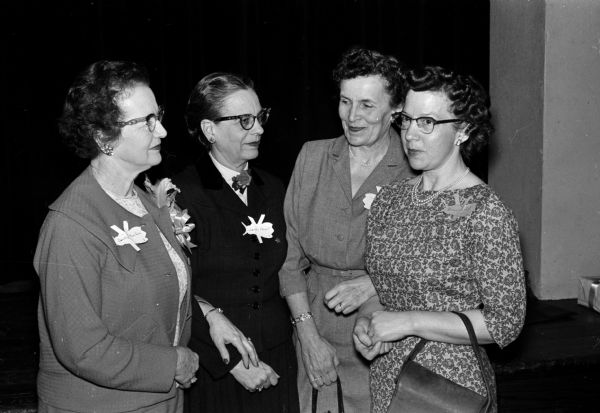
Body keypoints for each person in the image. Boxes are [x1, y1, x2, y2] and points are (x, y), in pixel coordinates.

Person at [35, 60, 253, 412]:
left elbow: (157, 287)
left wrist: (209, 315)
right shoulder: (71, 224)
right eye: (147, 122)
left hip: (161, 401)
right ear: (104, 137)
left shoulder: (145, 201)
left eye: (159, 115)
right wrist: (173, 364)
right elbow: (81, 348)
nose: (163, 131)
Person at [353, 65, 527, 412]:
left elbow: (505, 323)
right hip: (388, 377)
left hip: (448, 390)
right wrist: (368, 322)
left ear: (462, 130)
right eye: (407, 120)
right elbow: (381, 288)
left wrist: (408, 322)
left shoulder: (485, 211)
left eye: (428, 123)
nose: (411, 136)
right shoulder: (390, 200)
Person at [278, 48, 413, 412]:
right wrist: (308, 337)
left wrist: (374, 282)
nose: (352, 117)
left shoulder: (416, 171)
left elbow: (434, 266)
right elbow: (289, 261)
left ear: (396, 108)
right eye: (345, 102)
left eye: (367, 106)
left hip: (387, 333)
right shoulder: (313, 157)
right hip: (314, 330)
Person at [173, 72, 299, 413]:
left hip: (277, 361)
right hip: (218, 369)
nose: (258, 129)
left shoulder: (273, 188)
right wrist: (230, 364)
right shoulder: (181, 194)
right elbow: (175, 292)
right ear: (209, 130)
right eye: (244, 120)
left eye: (260, 117)